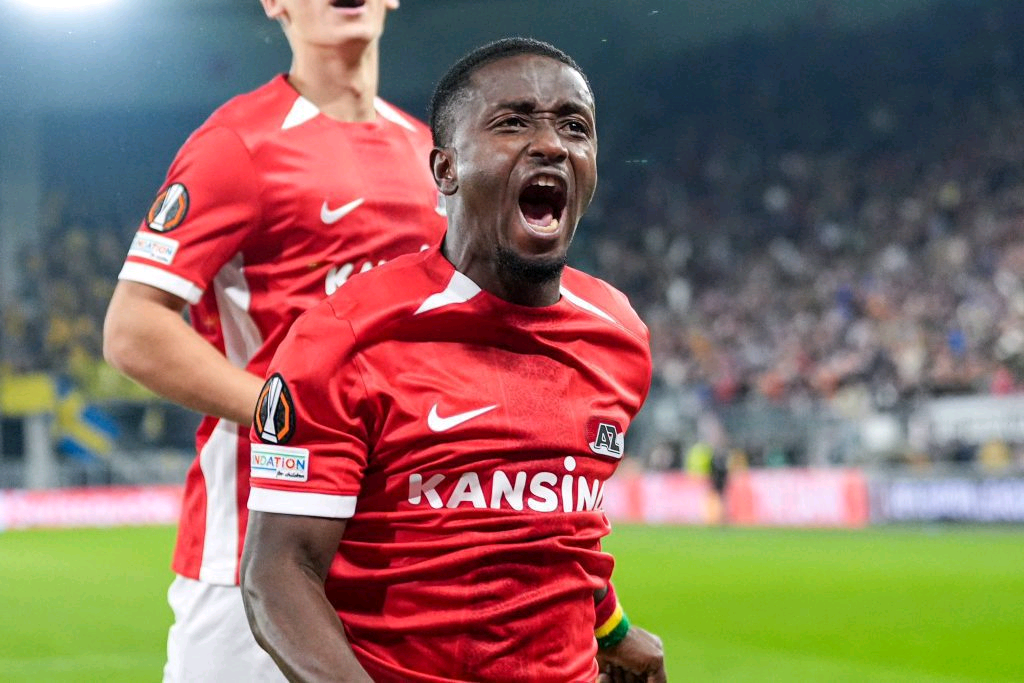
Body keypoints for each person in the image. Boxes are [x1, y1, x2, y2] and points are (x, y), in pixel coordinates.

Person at [240, 37, 667, 682]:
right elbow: (278, 572)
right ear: (445, 169)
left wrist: (616, 632)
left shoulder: (619, 335)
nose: (552, 145)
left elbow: (557, 530)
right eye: (513, 122)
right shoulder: (346, 340)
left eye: (575, 127)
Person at [102, 1, 446, 680]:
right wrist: (288, 412)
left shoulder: (429, 154)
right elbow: (133, 328)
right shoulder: (238, 144)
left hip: (397, 549)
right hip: (254, 544)